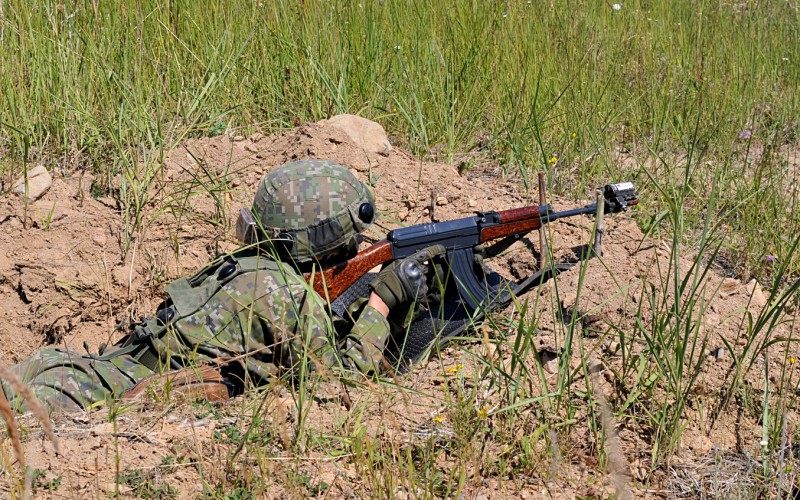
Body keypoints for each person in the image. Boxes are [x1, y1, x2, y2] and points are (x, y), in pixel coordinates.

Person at [1, 159, 444, 413]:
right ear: (327, 236)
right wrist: (384, 301)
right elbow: (339, 386)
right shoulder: (288, 297)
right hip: (84, 398)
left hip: (68, 368)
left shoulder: (242, 265)